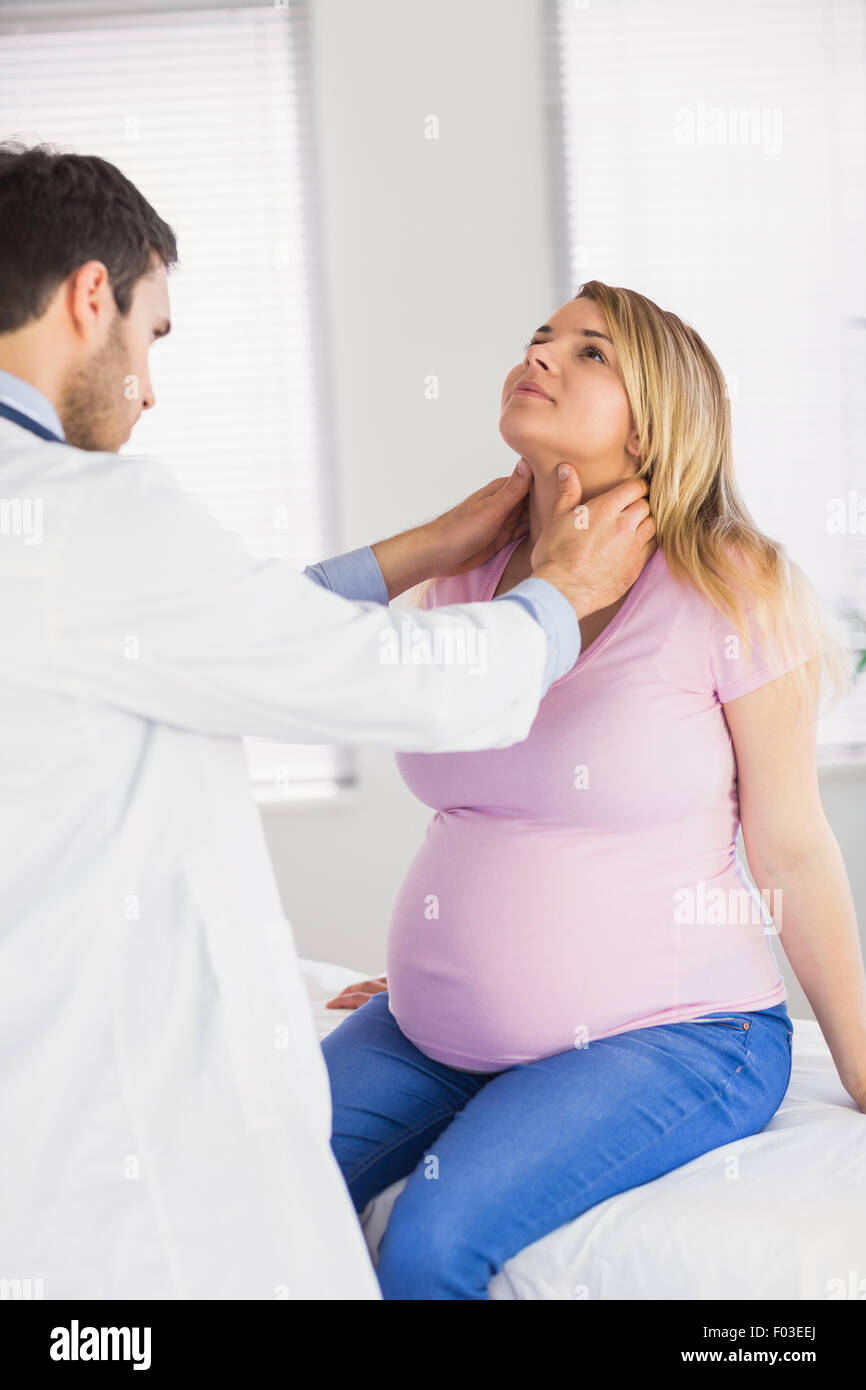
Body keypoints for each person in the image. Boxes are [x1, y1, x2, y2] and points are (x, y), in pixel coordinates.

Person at [0, 144, 655, 1299]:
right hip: (117, 1182)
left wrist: (432, 547)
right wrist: (560, 593)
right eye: (152, 337)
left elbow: (207, 634)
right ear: (89, 297)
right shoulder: (83, 515)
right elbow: (390, 678)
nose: (149, 386)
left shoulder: (61, 540)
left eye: (584, 348)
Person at [322, 282, 866, 1300]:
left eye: (590, 353)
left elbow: (789, 844)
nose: (542, 354)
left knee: (429, 1249)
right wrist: (444, 974)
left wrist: (858, 1056)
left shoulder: (726, 583)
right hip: (427, 1032)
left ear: (658, 424)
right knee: (243, 1182)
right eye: (539, 336)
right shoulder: (468, 577)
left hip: (671, 1033)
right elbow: (292, 659)